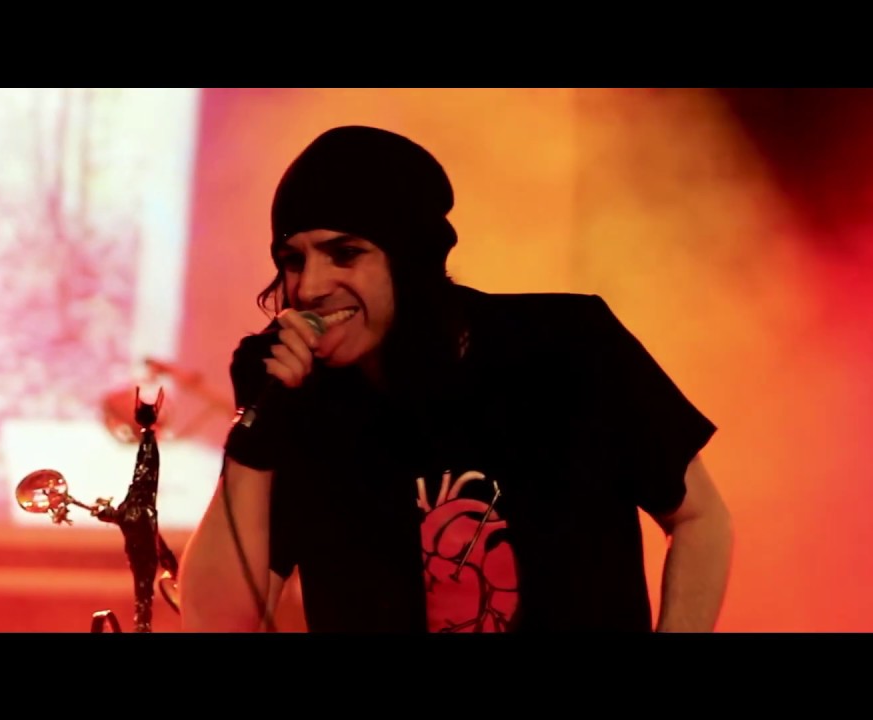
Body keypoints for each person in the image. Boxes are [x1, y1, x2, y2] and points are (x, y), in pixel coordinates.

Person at [178, 125, 734, 632]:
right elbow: (214, 624)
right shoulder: (306, 408)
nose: (309, 287)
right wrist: (253, 436)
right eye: (293, 259)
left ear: (411, 259)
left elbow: (699, 518)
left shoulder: (568, 344)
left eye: (345, 254)